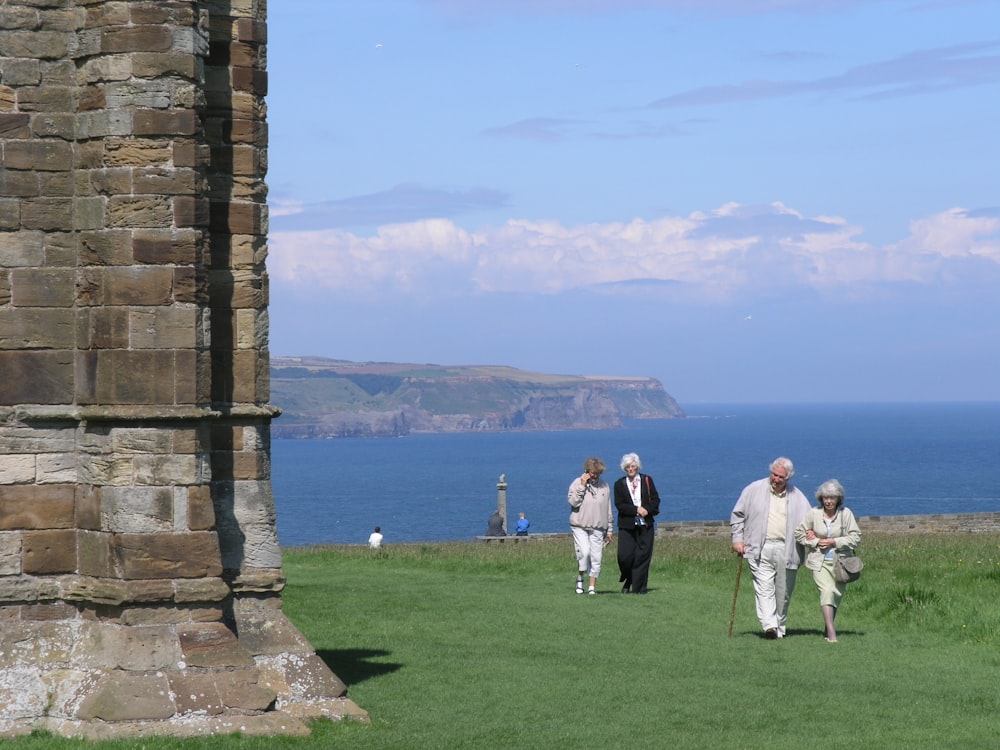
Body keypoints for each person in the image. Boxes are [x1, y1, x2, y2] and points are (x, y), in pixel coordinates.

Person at [730, 457, 811, 638]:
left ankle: (780, 628)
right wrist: (737, 540)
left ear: (788, 478)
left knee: (783, 592)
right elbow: (737, 515)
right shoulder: (753, 490)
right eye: (774, 474)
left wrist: (812, 536)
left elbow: (809, 522)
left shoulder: (798, 496)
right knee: (764, 588)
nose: (776, 479)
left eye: (780, 477)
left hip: (788, 549)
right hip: (759, 547)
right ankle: (769, 627)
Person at [794, 479, 861, 643]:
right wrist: (815, 541)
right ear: (821, 499)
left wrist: (834, 542)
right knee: (827, 592)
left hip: (841, 564)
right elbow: (799, 534)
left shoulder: (846, 514)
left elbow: (855, 537)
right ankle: (832, 633)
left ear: (839, 499)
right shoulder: (813, 514)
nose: (829, 501)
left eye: (832, 498)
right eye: (826, 498)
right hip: (819, 562)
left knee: (836, 595)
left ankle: (827, 627)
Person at [613, 452, 661, 594]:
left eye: (633, 466)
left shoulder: (647, 480)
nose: (630, 469)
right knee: (625, 556)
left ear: (637, 466)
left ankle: (640, 589)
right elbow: (620, 505)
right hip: (627, 525)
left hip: (645, 525)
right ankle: (629, 578)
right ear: (624, 468)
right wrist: (636, 510)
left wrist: (647, 510)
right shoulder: (619, 484)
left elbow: (656, 500)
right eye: (628, 466)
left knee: (643, 556)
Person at [568, 457, 614, 595]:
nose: (594, 476)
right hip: (579, 525)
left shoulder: (604, 486)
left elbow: (608, 509)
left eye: (597, 473)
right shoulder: (576, 483)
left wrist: (610, 529)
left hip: (598, 527)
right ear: (586, 471)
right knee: (584, 552)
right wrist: (582, 486)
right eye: (592, 472)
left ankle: (592, 587)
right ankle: (580, 578)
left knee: (596, 557)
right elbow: (573, 502)